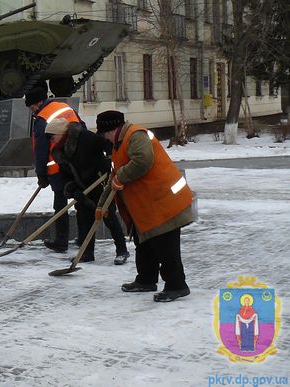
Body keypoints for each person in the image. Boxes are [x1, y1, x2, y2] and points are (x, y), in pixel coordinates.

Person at [95, 110, 194, 302]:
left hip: (165, 202)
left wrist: (122, 176)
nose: (104, 138)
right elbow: (113, 178)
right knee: (144, 243)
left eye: (105, 133)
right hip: (148, 205)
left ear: (112, 129)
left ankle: (177, 285)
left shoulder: (136, 135)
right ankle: (146, 280)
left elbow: (143, 160)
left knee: (166, 245)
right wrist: (102, 205)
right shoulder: (118, 144)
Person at [46, 118, 129, 264]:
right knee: (84, 219)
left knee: (107, 215)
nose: (52, 142)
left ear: (62, 133)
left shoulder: (84, 137)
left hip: (100, 182)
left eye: (53, 137)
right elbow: (64, 174)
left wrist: (111, 163)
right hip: (81, 187)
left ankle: (122, 250)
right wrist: (72, 188)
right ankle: (87, 252)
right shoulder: (59, 151)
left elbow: (108, 146)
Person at [25, 83, 81, 253]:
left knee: (60, 204)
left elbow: (41, 150)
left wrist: (41, 175)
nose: (30, 111)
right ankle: (84, 237)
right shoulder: (64, 107)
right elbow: (82, 128)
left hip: (58, 168)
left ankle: (61, 241)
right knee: (81, 202)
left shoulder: (42, 119)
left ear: (37, 103)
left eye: (30, 107)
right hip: (77, 164)